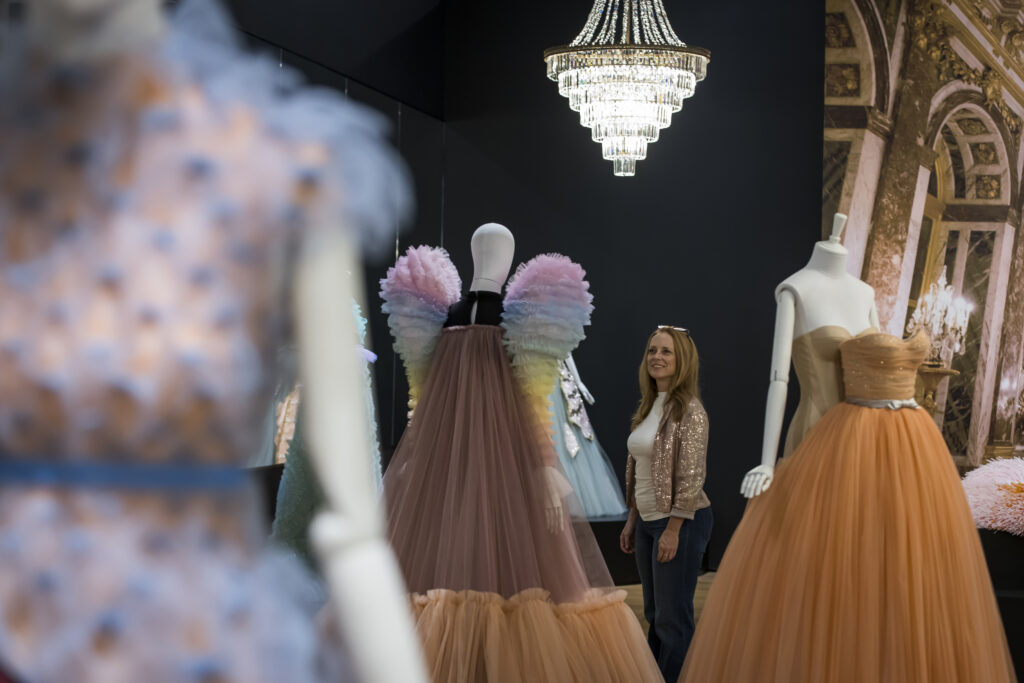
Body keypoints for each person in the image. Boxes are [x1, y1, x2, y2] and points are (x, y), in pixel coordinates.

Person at [619, 326, 712, 682]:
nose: (657, 357)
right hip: (647, 522)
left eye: (666, 352)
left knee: (674, 618)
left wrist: (673, 529)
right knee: (655, 613)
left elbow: (691, 476)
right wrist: (632, 520)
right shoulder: (647, 406)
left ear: (682, 361)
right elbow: (643, 470)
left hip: (680, 523)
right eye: (652, 350)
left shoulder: (689, 410)